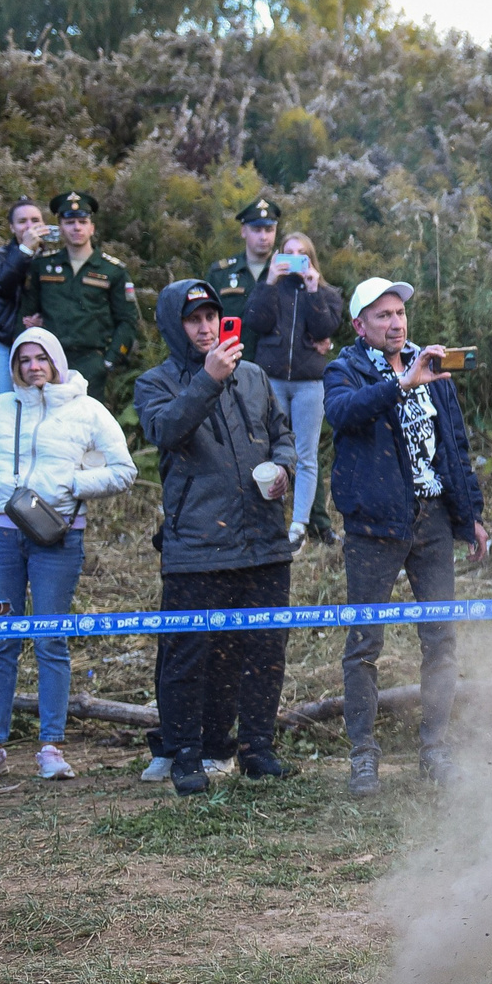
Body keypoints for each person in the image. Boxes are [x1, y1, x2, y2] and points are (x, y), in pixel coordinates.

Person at [325, 278, 489, 795]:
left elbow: (455, 446)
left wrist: (471, 516)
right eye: (382, 315)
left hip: (433, 517)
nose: (396, 323)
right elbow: (342, 414)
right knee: (364, 643)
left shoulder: (433, 367)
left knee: (441, 638)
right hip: (374, 524)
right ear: (359, 325)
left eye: (399, 313)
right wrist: (402, 384)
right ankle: (363, 757)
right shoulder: (344, 369)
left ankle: (435, 749)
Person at [0, 327, 134, 779]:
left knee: (51, 639)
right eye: (25, 359)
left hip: (59, 537)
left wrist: (74, 483)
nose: (33, 366)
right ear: (14, 366)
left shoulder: (88, 411)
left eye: (41, 357)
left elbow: (124, 470)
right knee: (2, 639)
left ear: (56, 361)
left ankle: (51, 747)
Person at [137, 281, 298, 796]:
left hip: (264, 540)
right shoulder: (156, 382)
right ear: (174, 326)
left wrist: (286, 471)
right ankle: (184, 755)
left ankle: (256, 747)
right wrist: (207, 381)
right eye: (193, 320)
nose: (206, 327)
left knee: (263, 650)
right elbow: (165, 431)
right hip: (196, 546)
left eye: (211, 316)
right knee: (189, 654)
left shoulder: (254, 376)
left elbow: (284, 436)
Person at [242, 230, 344, 546]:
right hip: (271, 380)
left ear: (311, 258)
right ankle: (272, 519)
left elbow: (325, 328)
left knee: (306, 454)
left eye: (301, 253)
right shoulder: (272, 288)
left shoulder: (327, 292)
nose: (294, 260)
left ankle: (299, 524)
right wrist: (271, 280)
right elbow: (256, 321)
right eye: (288, 253)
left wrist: (313, 288)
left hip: (309, 384)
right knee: (269, 449)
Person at [22, 190, 141, 397]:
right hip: (48, 361)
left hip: (91, 363)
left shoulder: (112, 271)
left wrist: (109, 361)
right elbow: (27, 315)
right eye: (70, 223)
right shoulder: (42, 266)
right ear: (60, 228)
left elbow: (128, 321)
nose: (76, 227)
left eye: (82, 222)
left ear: (91, 228)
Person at [0, 201, 47, 405]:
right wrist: (24, 251)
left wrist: (43, 318)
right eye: (22, 221)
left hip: (37, 345)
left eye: (35, 220)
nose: (29, 226)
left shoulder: (52, 260)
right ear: (12, 227)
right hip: (2, 341)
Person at [207, 195, 284, 324]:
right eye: (256, 230)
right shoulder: (220, 273)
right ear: (243, 231)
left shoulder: (286, 271)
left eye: (269, 230)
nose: (263, 237)